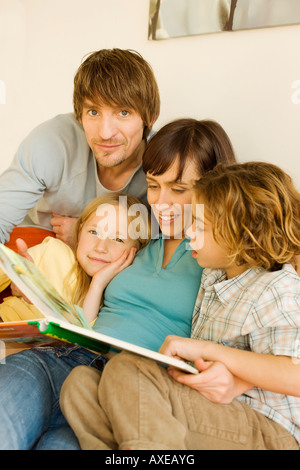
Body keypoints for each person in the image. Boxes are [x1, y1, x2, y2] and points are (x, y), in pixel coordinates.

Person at [0, 118, 236, 450]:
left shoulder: (219, 263)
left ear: (216, 188)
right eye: (154, 185)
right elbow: (83, 267)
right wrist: (37, 285)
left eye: (179, 189)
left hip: (125, 393)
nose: (161, 202)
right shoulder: (135, 244)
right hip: (63, 359)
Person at [60, 161, 300, 450]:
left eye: (200, 226)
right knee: (80, 384)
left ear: (241, 236)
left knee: (128, 368)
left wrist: (209, 351)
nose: (189, 234)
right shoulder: (214, 275)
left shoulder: (275, 287)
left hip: (269, 430)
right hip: (209, 406)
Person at [0, 48, 160, 246]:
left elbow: (176, 239)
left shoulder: (166, 163)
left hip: (112, 261)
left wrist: (86, 232)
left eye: (123, 113)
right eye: (93, 112)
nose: (105, 133)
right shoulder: (53, 141)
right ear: (79, 116)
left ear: (150, 117)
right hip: (33, 243)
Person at [0, 192, 148, 323]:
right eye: (94, 232)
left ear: (137, 251)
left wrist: (97, 284)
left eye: (118, 239)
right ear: (79, 232)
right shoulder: (55, 252)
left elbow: (81, 339)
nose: (100, 247)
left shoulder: (118, 298)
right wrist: (16, 275)